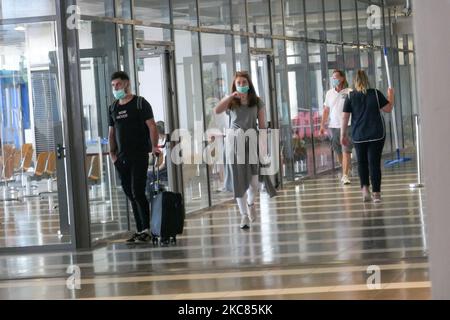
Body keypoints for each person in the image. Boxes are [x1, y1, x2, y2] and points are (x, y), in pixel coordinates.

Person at [108, 71, 160, 243]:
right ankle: (140, 230)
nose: (116, 88)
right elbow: (111, 132)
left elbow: (152, 126)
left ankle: (147, 228)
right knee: (130, 193)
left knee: (138, 191)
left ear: (126, 84)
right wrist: (112, 154)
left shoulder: (140, 103)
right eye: (113, 85)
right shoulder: (114, 107)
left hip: (139, 155)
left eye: (118, 84)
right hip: (121, 158)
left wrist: (154, 146)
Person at [214, 71, 267, 230]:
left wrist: (264, 146)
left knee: (254, 182)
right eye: (239, 83)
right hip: (234, 143)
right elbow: (217, 110)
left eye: (244, 82)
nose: (242, 85)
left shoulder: (257, 102)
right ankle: (243, 214)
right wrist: (231, 96)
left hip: (252, 141)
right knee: (239, 181)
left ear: (249, 84)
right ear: (235, 85)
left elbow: (263, 125)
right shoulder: (231, 102)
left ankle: (251, 203)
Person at [341, 70, 394, 203]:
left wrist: (343, 134)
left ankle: (365, 189)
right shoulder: (375, 93)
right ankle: (376, 194)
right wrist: (390, 96)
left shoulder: (350, 96)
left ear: (355, 81)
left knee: (362, 163)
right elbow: (388, 109)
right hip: (376, 133)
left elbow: (345, 117)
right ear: (367, 80)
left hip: (359, 135)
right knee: (374, 163)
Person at [320, 69, 353, 185]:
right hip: (333, 126)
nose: (334, 80)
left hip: (347, 125)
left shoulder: (349, 92)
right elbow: (326, 110)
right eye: (332, 78)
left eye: (336, 78)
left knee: (346, 150)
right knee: (338, 150)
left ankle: (345, 175)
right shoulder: (329, 93)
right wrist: (322, 125)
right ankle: (345, 166)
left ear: (342, 78)